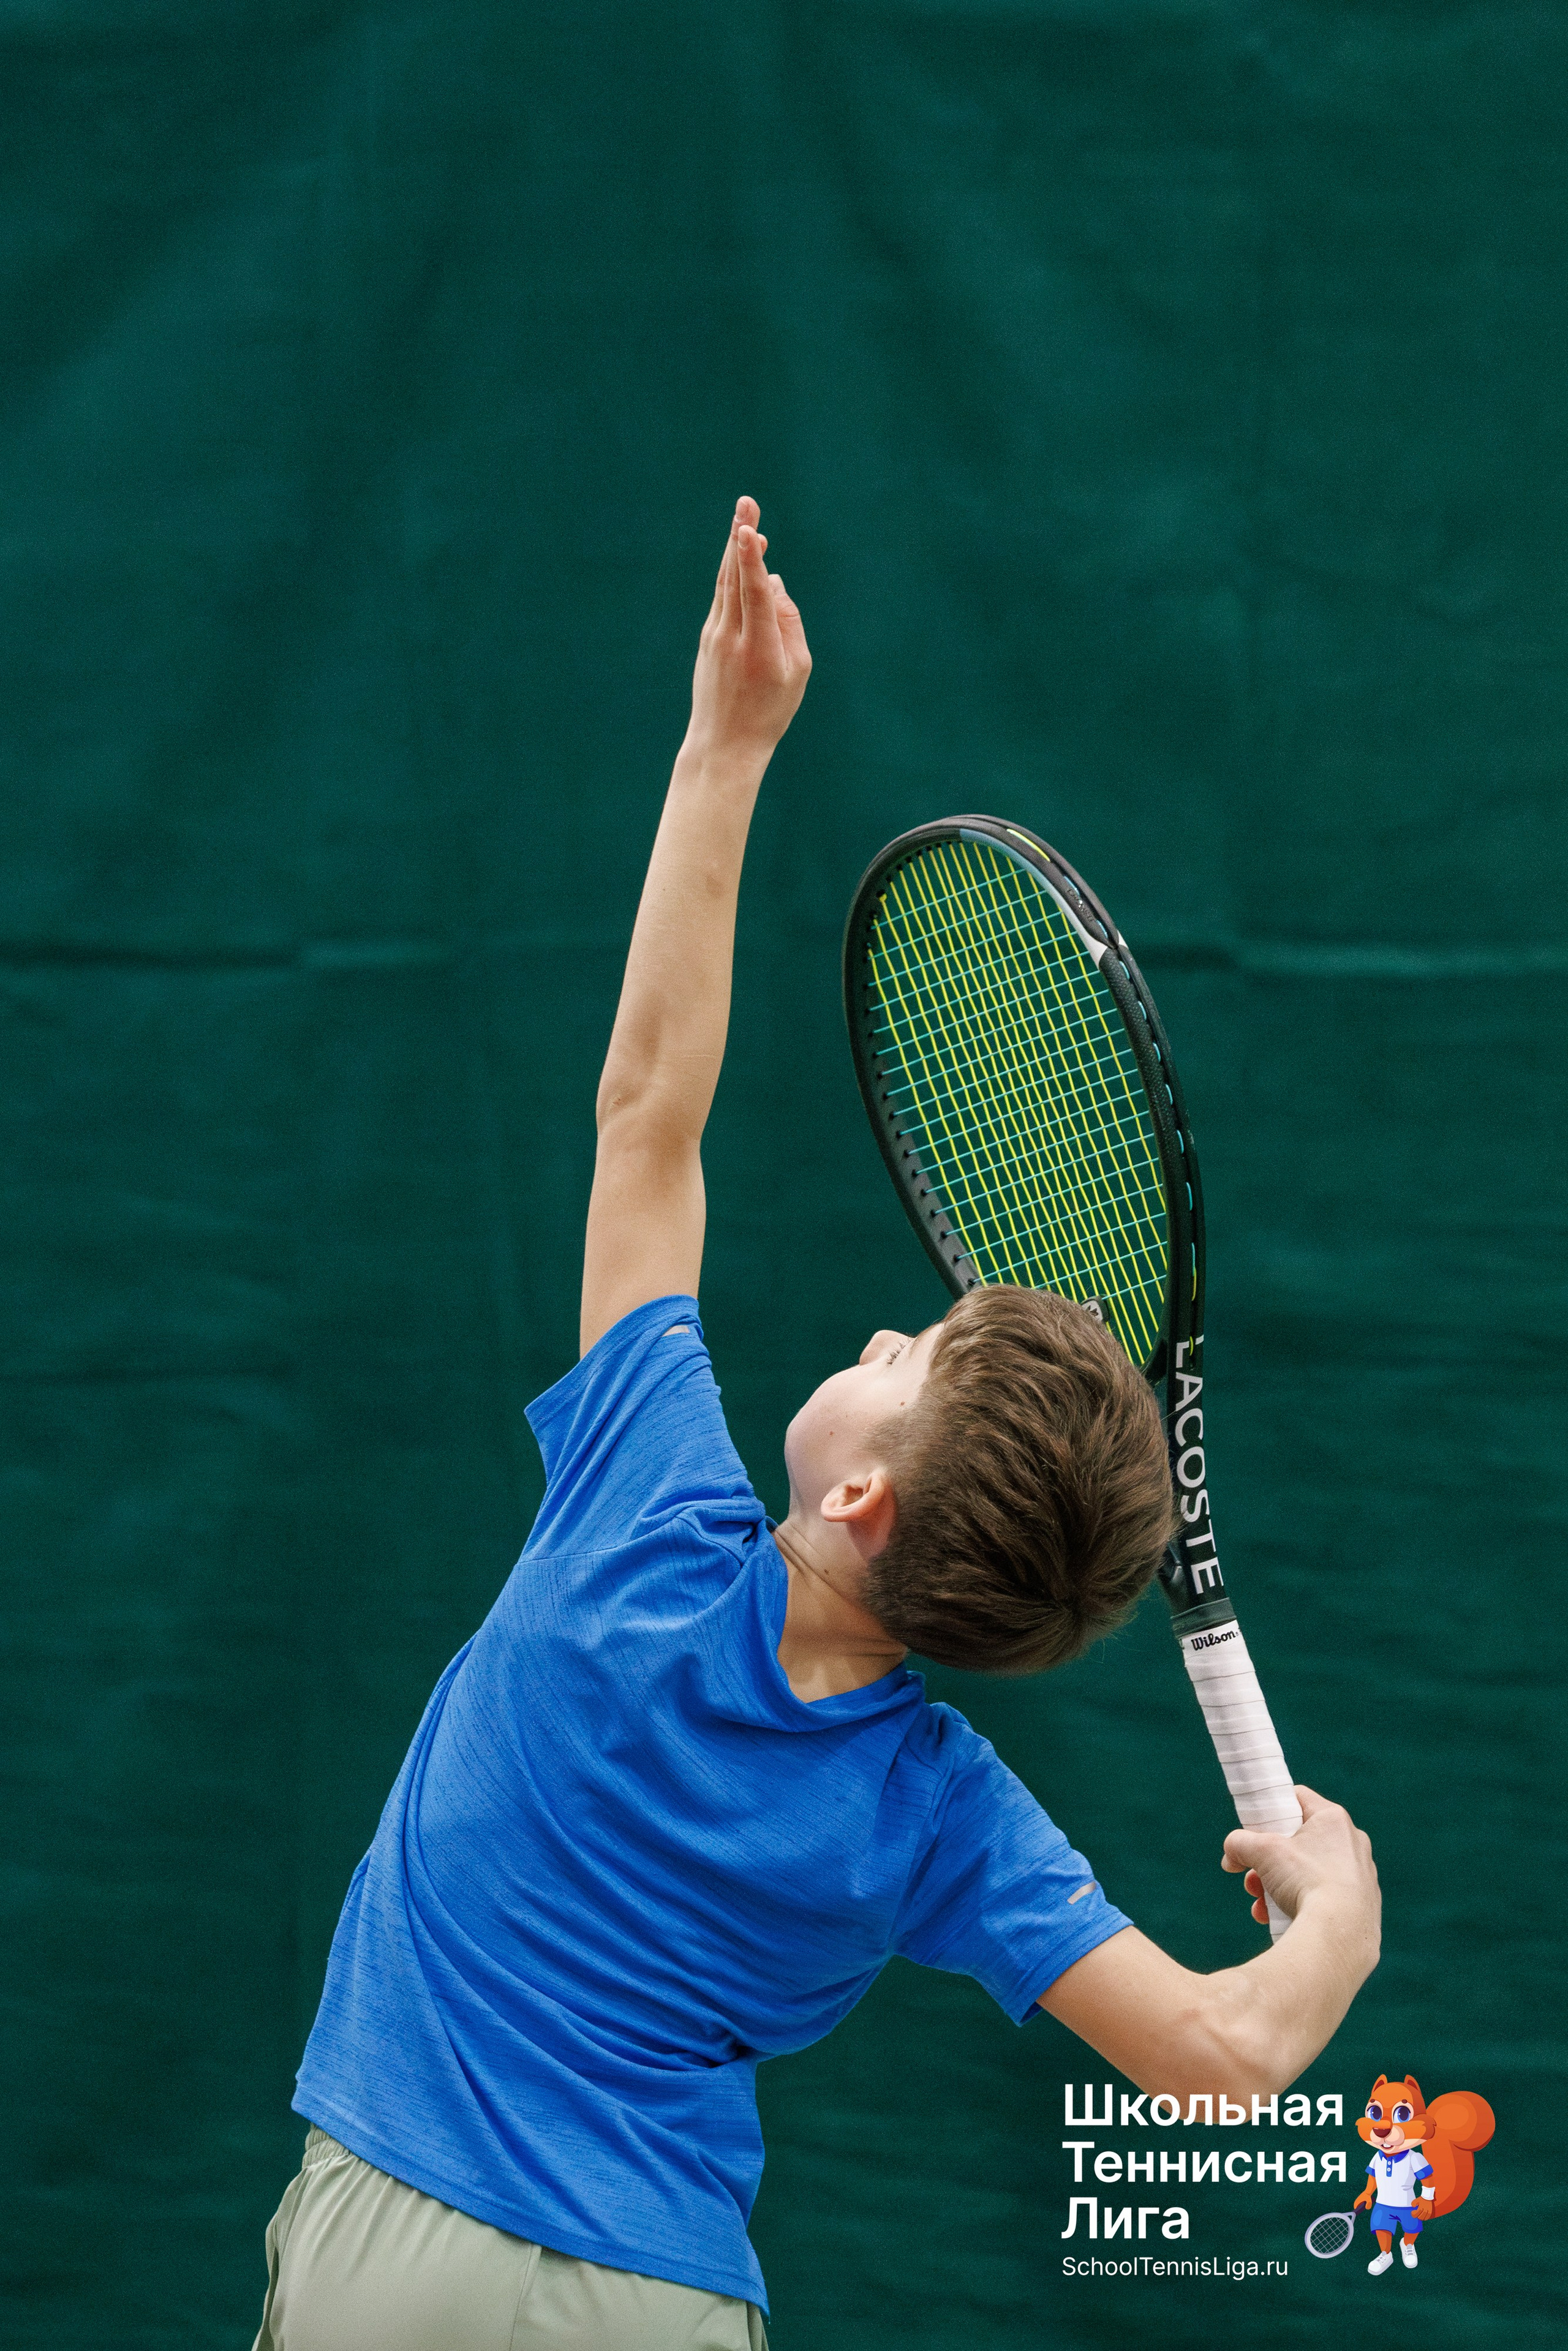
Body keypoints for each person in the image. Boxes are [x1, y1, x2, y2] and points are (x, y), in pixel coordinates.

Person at [252, 498, 1381, 2350]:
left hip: (398, 2252)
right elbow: (1222, 2058)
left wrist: (728, 742)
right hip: (666, 2304)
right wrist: (1338, 1914)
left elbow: (646, 1114)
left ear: (858, 1493)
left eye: (907, 1351)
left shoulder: (640, 1505)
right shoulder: (943, 1816)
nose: (878, 1324)